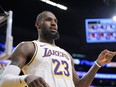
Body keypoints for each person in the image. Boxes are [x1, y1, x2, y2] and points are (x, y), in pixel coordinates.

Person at [0, 11, 116, 87]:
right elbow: (4, 82)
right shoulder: (28, 47)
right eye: (48, 20)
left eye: (55, 21)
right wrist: (26, 78)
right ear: (37, 24)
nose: (53, 23)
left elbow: (80, 85)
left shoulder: (66, 54)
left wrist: (97, 64)